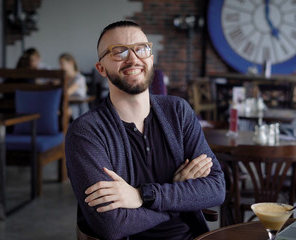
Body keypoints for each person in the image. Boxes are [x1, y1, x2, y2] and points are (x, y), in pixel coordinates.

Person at [65, 20, 225, 240]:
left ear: (151, 57)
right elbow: (111, 224)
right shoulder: (86, 131)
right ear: (101, 69)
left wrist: (143, 195)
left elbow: (216, 188)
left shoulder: (178, 111)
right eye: (118, 52)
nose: (133, 59)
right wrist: (178, 194)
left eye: (141, 49)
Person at [58, 53, 89, 119]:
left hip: (79, 106)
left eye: (62, 64)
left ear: (71, 63)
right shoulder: (64, 79)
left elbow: (67, 92)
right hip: (67, 104)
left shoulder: (80, 78)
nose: (60, 67)